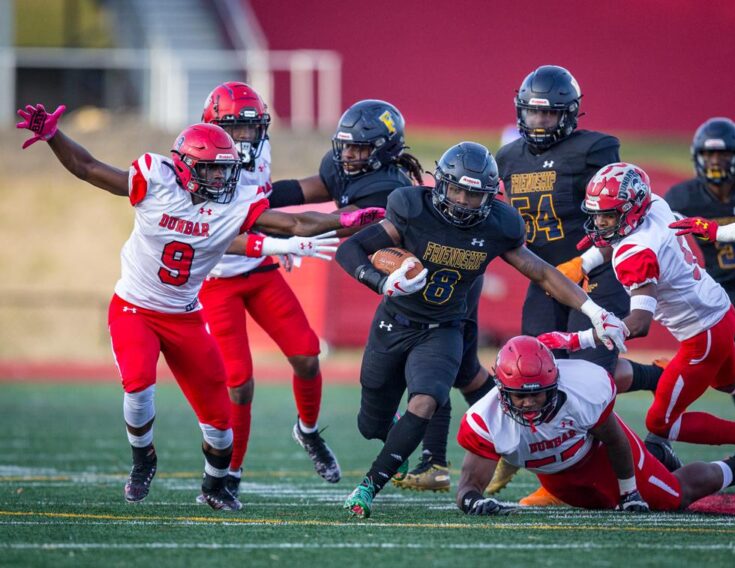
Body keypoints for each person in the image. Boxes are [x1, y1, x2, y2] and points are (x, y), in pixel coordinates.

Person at [15, 103, 383, 511]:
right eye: (211, 169)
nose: (222, 177)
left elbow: (296, 223)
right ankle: (143, 461)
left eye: (225, 169)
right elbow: (88, 168)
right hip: (135, 307)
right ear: (186, 167)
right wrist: (54, 137)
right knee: (138, 390)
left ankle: (215, 485)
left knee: (220, 423)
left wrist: (344, 221)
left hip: (185, 314)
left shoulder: (231, 205)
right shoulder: (155, 181)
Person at [335, 141, 629, 518]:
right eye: (456, 189)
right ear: (440, 184)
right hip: (395, 321)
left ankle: (367, 489)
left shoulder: (498, 225)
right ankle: (392, 433)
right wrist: (380, 283)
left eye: (473, 194)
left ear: (489, 196)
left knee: (425, 400)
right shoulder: (411, 207)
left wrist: (592, 309)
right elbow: (351, 251)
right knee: (369, 423)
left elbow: (541, 271)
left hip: (443, 327)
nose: (461, 200)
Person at [269, 99, 495, 492]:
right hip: (410, 280)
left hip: (450, 279)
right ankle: (475, 441)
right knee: (454, 370)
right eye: (346, 146)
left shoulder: (386, 190)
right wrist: (256, 196)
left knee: (445, 368)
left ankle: (462, 451)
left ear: (384, 151)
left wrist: (245, 215)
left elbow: (312, 223)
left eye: (360, 148)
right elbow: (304, 190)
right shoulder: (342, 164)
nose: (350, 155)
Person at [538, 162, 735, 506]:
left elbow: (640, 323)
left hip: (701, 334)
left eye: (608, 216)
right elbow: (618, 238)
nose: (599, 223)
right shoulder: (655, 206)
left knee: (660, 422)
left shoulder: (636, 253)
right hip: (717, 310)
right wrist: (583, 263)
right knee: (729, 380)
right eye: (597, 215)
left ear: (630, 211)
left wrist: (579, 339)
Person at [492, 64, 664, 503]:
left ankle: (580, 474)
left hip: (597, 276)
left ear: (569, 115)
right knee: (532, 378)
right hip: (544, 278)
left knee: (587, 378)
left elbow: (620, 221)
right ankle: (652, 378)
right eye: (532, 114)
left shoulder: (595, 148)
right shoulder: (507, 159)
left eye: (549, 115)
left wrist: (585, 261)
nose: (540, 123)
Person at [196, 82, 340, 499]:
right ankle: (230, 473)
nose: (245, 138)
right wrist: (284, 242)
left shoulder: (261, 153)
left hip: (259, 270)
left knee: (307, 354)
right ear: (213, 127)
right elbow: (217, 232)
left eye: (250, 128)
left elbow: (260, 205)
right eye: (234, 129)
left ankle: (308, 431)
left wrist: (280, 241)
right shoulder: (198, 159)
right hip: (215, 278)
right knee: (238, 383)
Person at [456, 336, 735, 515]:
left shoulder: (583, 390)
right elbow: (469, 486)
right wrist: (473, 501)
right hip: (557, 479)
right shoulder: (488, 418)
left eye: (537, 395)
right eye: (519, 397)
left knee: (670, 499)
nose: (528, 404)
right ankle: (655, 451)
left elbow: (615, 440)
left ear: (553, 383)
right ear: (501, 389)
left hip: (601, 454)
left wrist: (630, 492)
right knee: (606, 506)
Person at [664, 118, 735, 426]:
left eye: (722, 153)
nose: (715, 161)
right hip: (720, 297)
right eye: (709, 154)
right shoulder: (683, 197)